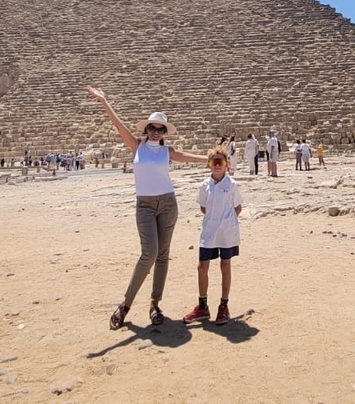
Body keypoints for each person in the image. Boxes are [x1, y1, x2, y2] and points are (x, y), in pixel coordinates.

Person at [87, 86, 209, 330]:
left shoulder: (167, 151)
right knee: (149, 254)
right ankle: (126, 304)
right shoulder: (136, 146)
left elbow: (187, 156)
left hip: (167, 204)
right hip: (144, 206)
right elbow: (117, 123)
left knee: (163, 256)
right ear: (146, 130)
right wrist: (103, 101)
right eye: (151, 128)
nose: (155, 132)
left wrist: (214, 158)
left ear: (165, 132)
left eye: (160, 129)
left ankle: (155, 304)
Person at [182, 147, 243, 326]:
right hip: (209, 231)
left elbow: (238, 208)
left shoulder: (232, 185)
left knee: (225, 265)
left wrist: (225, 221)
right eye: (214, 162)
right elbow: (203, 207)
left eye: (220, 162)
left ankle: (223, 306)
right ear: (209, 165)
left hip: (226, 232)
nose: (217, 165)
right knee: (202, 267)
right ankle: (203, 306)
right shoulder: (204, 185)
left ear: (226, 164)